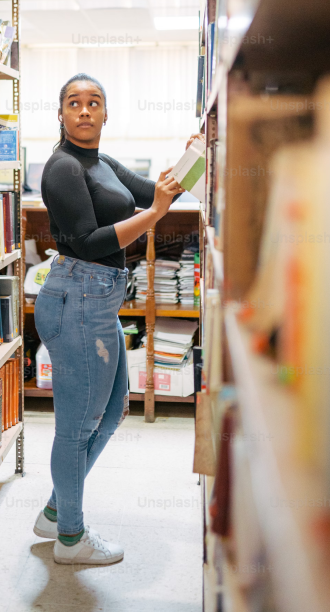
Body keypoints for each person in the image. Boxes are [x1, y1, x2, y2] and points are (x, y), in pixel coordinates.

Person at [32, 72, 203, 565]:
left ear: (106, 112)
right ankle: (70, 538)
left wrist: (196, 155)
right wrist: (155, 217)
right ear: (60, 114)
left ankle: (53, 509)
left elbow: (156, 189)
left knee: (113, 411)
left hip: (100, 297)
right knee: (77, 426)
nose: (84, 111)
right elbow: (89, 241)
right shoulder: (62, 168)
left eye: (94, 102)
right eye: (73, 103)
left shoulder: (101, 161)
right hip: (76, 294)